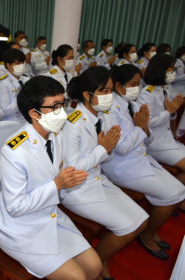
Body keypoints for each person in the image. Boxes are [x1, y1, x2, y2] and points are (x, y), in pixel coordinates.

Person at [0, 76, 102, 280]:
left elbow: (60, 179)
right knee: (78, 277)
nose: (62, 112)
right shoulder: (13, 150)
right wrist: (57, 184)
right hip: (20, 227)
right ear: (34, 113)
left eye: (63, 103)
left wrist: (65, 183)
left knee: (95, 267)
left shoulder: (55, 134)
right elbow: (15, 207)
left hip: (49, 216)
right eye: (55, 106)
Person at [63, 66, 148, 279]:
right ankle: (97, 265)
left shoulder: (106, 116)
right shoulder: (73, 122)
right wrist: (102, 149)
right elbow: (72, 169)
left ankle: (101, 260)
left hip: (99, 179)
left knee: (141, 219)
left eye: (110, 90)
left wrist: (106, 149)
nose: (109, 96)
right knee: (128, 227)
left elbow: (107, 157)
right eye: (104, 91)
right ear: (87, 94)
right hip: (78, 189)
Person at [102, 64, 185, 260]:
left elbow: (149, 139)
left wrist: (144, 129)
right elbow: (120, 147)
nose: (137, 88)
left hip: (140, 157)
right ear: (119, 85)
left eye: (139, 84)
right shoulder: (110, 110)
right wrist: (141, 129)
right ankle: (147, 235)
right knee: (173, 194)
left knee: (178, 190)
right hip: (121, 165)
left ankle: (150, 232)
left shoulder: (132, 104)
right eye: (133, 84)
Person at [137, 54, 185, 191]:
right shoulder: (148, 92)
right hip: (155, 143)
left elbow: (167, 114)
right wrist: (168, 112)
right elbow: (146, 122)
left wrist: (172, 111)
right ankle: (177, 197)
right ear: (161, 70)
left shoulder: (164, 88)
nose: (173, 72)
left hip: (167, 140)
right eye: (170, 69)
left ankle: (178, 197)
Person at [0, 49, 30, 123]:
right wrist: (23, 101)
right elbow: (4, 110)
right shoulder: (3, 83)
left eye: (23, 63)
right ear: (8, 65)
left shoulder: (26, 79)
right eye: (18, 63)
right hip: (12, 120)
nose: (21, 65)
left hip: (28, 117)